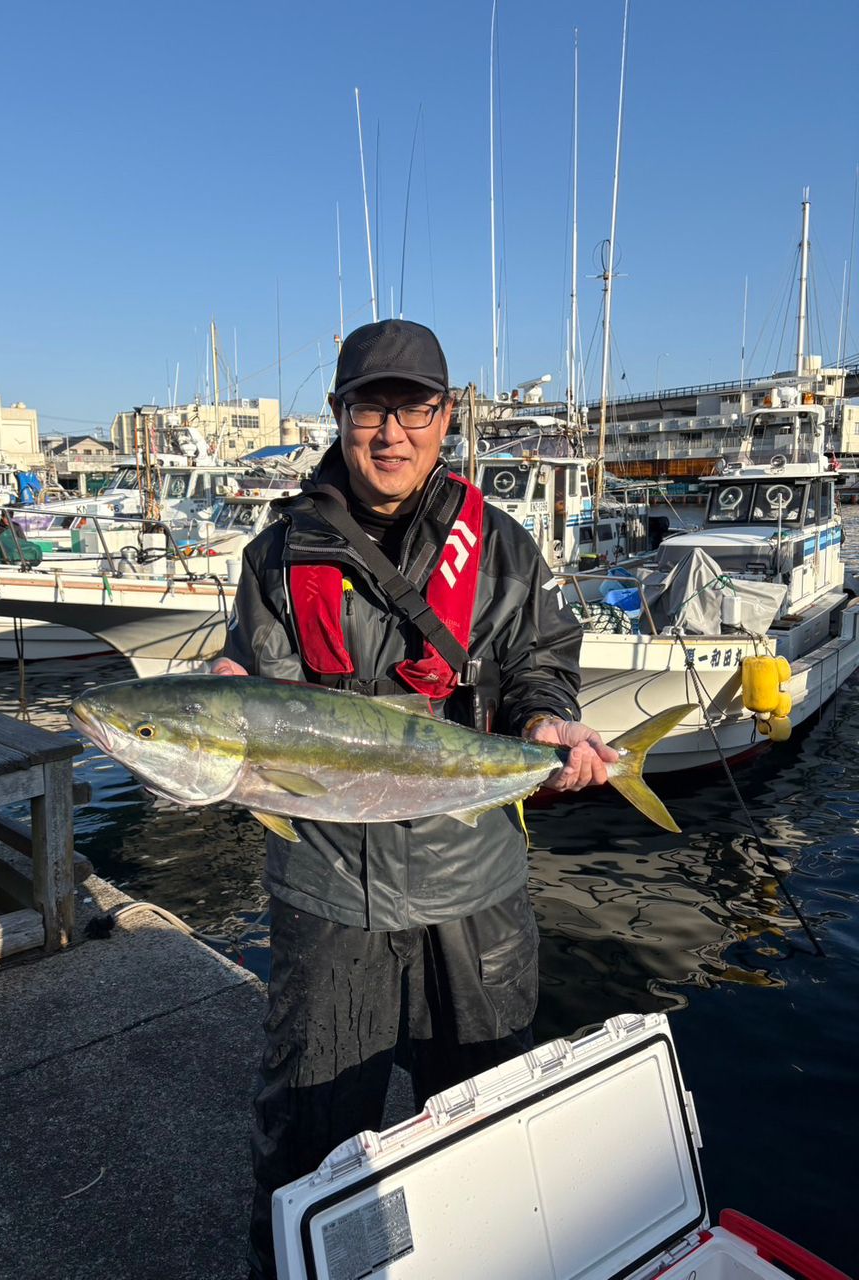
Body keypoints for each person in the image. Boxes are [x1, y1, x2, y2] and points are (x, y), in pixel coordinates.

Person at [214, 319, 616, 1279]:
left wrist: (551, 722)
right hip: (326, 892)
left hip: (471, 889)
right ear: (340, 416)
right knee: (310, 1135)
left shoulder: (505, 547)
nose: (390, 433)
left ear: (446, 419)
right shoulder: (275, 558)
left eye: (414, 408)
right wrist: (228, 697)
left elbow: (537, 667)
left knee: (487, 1124)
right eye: (368, 408)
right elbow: (258, 701)